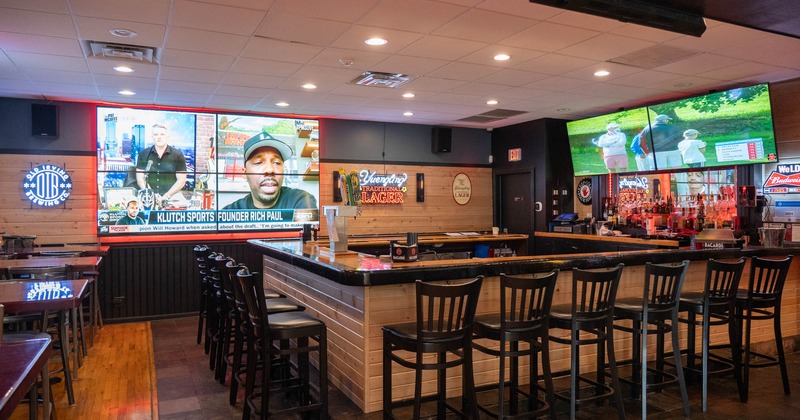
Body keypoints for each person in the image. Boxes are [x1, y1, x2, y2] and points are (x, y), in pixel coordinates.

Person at [223, 132, 317, 210]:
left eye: (276, 162)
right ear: (245, 173)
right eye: (259, 162)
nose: (270, 169)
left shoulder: (300, 200)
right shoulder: (230, 212)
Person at [135, 123, 187, 206]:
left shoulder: (178, 155)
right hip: (148, 194)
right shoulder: (144, 154)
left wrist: (166, 196)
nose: (159, 137)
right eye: (156, 134)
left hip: (172, 195)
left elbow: (181, 180)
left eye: (162, 134)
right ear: (152, 137)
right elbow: (140, 179)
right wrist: (151, 195)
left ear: (167, 136)